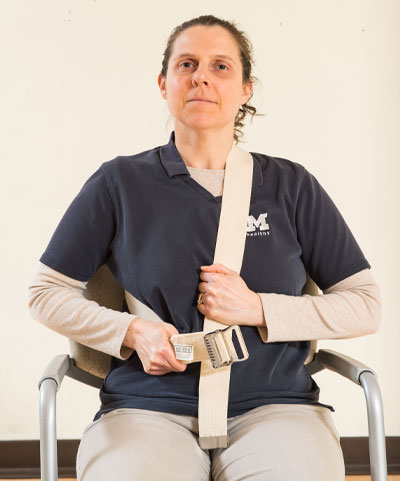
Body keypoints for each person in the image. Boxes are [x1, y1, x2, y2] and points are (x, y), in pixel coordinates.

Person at [28, 14, 381, 481]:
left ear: (245, 89)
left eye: (220, 67)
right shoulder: (119, 183)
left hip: (276, 409)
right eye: (187, 64)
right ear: (163, 83)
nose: (201, 77)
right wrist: (133, 332)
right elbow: (45, 293)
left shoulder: (291, 186)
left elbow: (365, 306)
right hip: (146, 410)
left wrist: (258, 308)